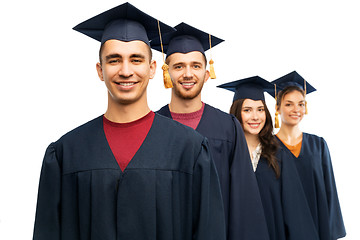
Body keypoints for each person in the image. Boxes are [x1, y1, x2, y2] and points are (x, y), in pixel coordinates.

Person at [32, 3, 226, 240]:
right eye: (114, 60)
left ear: (152, 68)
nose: (125, 71)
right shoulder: (66, 153)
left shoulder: (191, 150)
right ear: (100, 70)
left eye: (136, 59)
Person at [152, 23, 269, 240]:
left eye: (195, 66)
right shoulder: (151, 127)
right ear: (166, 73)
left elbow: (244, 202)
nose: (188, 74)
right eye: (179, 66)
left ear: (207, 74)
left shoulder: (228, 127)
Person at [218, 76, 324, 240]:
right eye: (247, 110)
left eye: (260, 109)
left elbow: (295, 211)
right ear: (236, 113)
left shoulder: (279, 154)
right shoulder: (224, 155)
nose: (255, 117)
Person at [272, 71, 346, 240]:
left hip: (317, 228)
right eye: (289, 104)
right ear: (277, 108)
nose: (296, 109)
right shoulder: (268, 147)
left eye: (301, 104)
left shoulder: (318, 145)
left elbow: (330, 192)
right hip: (282, 231)